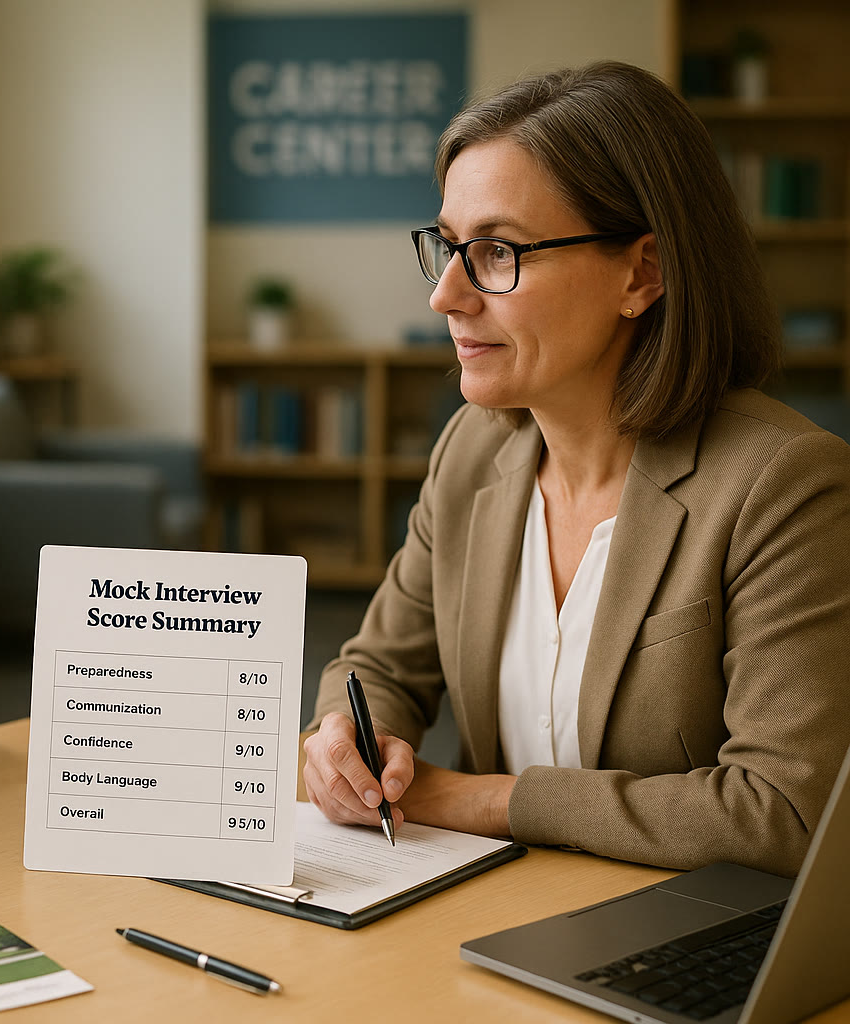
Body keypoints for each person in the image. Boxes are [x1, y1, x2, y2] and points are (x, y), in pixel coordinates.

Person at [303, 61, 850, 877]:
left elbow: (781, 812)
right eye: (449, 248)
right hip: (493, 920)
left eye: (495, 252)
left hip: (684, 950)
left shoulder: (785, 484)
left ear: (642, 273)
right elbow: (380, 665)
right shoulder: (471, 451)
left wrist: (486, 800)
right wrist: (342, 740)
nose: (445, 296)